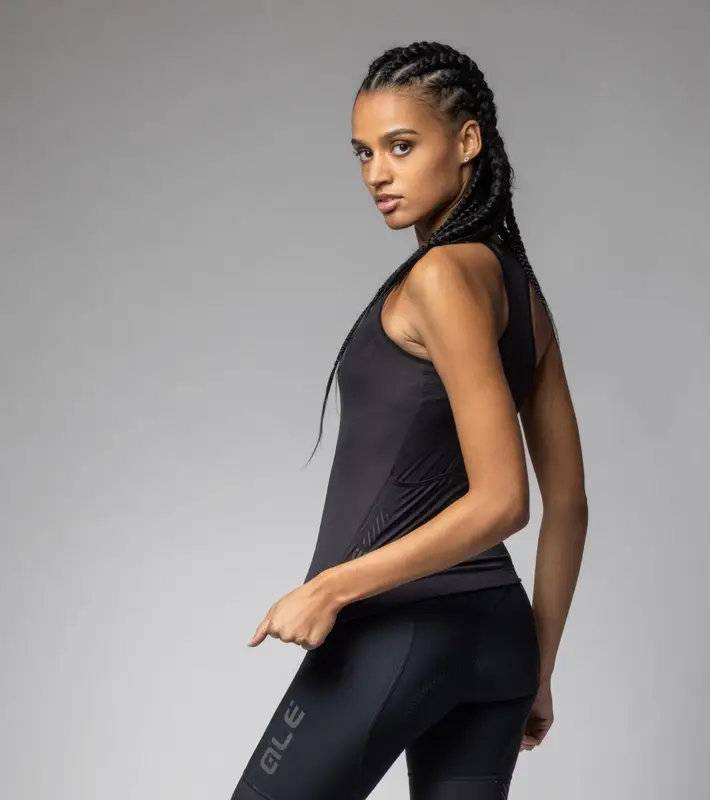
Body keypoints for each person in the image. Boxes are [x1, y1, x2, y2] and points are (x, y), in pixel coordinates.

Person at [229, 40, 588, 800]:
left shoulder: (441, 275)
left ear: (467, 141)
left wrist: (332, 589)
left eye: (400, 146)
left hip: (401, 629)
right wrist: (538, 664)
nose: (376, 175)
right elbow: (572, 505)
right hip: (496, 637)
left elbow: (506, 500)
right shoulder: (524, 296)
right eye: (363, 154)